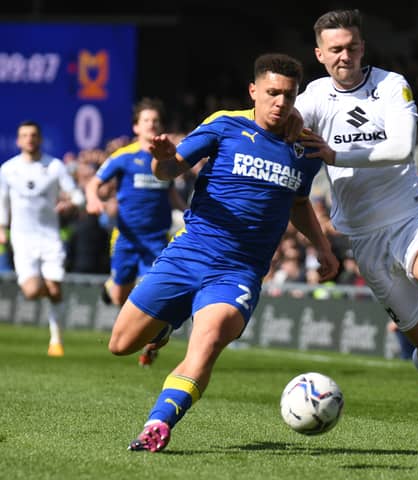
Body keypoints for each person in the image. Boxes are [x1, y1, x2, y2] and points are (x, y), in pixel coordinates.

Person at [108, 53, 339, 452]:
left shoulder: (304, 149)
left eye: (288, 94)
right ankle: (165, 326)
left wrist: (323, 249)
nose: (280, 103)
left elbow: (299, 203)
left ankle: (158, 424)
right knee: (121, 344)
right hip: (189, 254)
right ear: (253, 91)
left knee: (209, 340)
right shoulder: (225, 124)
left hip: (239, 271)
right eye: (272, 93)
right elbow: (172, 168)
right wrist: (162, 160)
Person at [296, 9, 418, 436]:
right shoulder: (314, 99)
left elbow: (401, 147)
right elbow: (276, 128)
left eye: (352, 47)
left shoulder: (391, 85)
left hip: (411, 214)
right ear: (320, 54)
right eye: (335, 49)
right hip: (365, 237)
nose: (345, 56)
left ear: (363, 47)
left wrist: (336, 156)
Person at [85, 98, 188, 366]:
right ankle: (113, 287)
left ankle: (150, 342)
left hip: (156, 240)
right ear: (136, 127)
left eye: (156, 121)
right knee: (120, 296)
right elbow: (95, 183)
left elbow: (171, 193)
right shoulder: (123, 157)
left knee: (151, 294)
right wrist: (93, 199)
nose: (152, 125)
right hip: (127, 238)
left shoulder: (167, 159)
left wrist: (188, 212)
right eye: (147, 121)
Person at [0, 121, 85, 356]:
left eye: (33, 135)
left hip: (50, 237)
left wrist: (70, 203)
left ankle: (56, 341)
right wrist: (1, 228)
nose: (29, 139)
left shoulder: (55, 166)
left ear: (40, 139)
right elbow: (2, 202)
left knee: (55, 288)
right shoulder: (8, 169)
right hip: (22, 238)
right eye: (24, 135)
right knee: (31, 290)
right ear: (18, 141)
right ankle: (52, 293)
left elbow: (77, 196)